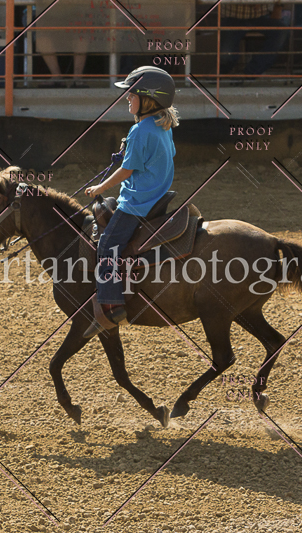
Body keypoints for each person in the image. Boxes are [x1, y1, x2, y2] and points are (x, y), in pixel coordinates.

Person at [83, 66, 180, 338]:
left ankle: (111, 306)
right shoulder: (162, 125)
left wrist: (101, 187)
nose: (127, 97)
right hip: (157, 194)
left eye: (132, 94)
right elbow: (164, 156)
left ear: (148, 99)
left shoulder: (139, 130)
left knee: (107, 245)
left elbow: (126, 171)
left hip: (138, 201)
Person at [219, 1, 290, 79]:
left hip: (262, 16)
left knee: (281, 31)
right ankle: (222, 73)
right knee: (227, 57)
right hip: (232, 17)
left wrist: (277, 7)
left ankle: (249, 74)